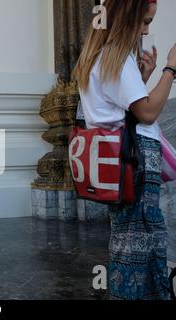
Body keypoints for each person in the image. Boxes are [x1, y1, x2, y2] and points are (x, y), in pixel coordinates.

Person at [73, 0, 176, 300]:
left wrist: (143, 78)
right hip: (137, 157)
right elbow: (146, 113)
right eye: (144, 21)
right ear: (125, 18)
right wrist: (170, 69)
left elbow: (116, 107)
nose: (146, 30)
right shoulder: (116, 58)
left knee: (128, 238)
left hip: (119, 158)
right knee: (142, 238)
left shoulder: (96, 57)